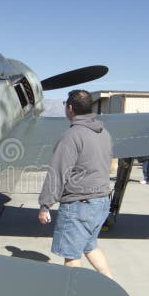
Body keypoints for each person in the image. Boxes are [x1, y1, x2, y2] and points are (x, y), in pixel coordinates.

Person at [38, 89, 114, 278]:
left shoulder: (71, 136)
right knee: (90, 247)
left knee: (71, 256)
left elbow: (57, 171)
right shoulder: (104, 133)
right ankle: (111, 284)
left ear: (70, 108)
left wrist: (45, 205)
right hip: (102, 201)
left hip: (79, 205)